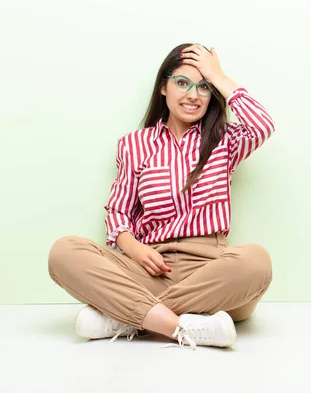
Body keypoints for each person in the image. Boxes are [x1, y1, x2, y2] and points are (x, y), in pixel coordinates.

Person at [48, 43, 275, 349]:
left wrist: (218, 75)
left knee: (256, 261)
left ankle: (130, 317)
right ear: (163, 88)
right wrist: (134, 248)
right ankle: (184, 326)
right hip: (148, 270)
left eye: (204, 87)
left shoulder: (224, 140)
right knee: (64, 252)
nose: (193, 95)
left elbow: (263, 125)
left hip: (213, 276)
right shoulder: (134, 145)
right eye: (182, 83)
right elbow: (117, 213)